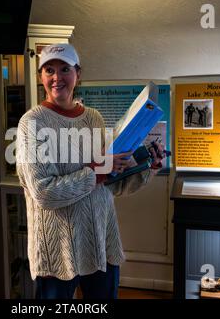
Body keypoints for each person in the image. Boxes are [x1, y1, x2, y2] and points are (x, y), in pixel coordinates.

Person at [16, 43, 164, 299]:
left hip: (99, 243)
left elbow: (110, 184)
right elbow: (44, 193)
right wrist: (97, 171)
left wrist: (145, 166)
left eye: (65, 69)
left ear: (78, 73)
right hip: (58, 251)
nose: (56, 77)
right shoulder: (33, 122)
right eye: (49, 70)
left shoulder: (93, 118)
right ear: (40, 76)